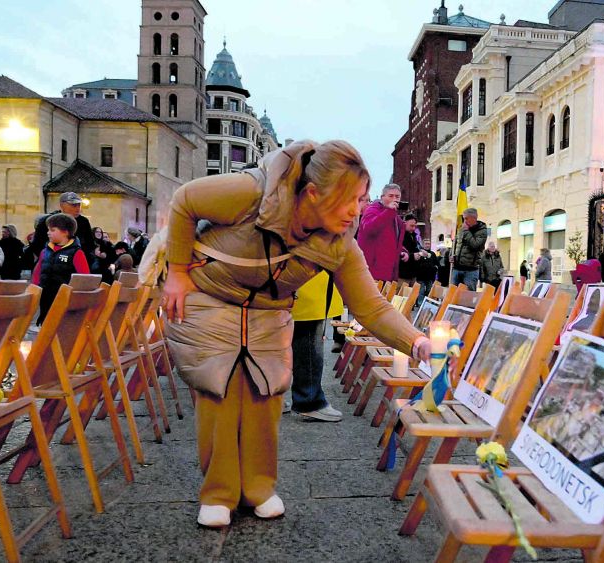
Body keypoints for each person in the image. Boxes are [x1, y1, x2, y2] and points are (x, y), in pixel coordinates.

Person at [161, 140, 430, 529]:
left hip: (269, 310)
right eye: (349, 198)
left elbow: (371, 306)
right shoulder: (252, 193)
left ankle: (257, 487)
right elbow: (185, 201)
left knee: (265, 392)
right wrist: (177, 272)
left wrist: (416, 341)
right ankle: (218, 492)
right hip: (212, 295)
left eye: (362, 198)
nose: (357, 210)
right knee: (218, 386)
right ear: (315, 193)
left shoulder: (339, 244)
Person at [291, 271, 344, 422]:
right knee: (309, 348)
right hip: (309, 288)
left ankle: (272, 395)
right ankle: (309, 400)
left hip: (294, 286)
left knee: (280, 345)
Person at [32, 213, 90, 326]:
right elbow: (37, 273)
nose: (48, 233)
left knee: (63, 328)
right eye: (48, 230)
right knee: (46, 326)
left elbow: (85, 278)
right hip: (45, 298)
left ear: (65, 232)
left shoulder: (76, 253)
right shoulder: (45, 252)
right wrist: (34, 291)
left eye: (52, 230)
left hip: (66, 300)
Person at [26, 191, 95, 269]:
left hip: (76, 265)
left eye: (79, 204)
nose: (77, 208)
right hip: (52, 266)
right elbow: (37, 245)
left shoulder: (83, 222)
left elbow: (90, 244)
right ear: (62, 205)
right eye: (73, 205)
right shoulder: (48, 221)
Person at [357, 183, 404, 281]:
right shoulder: (372, 210)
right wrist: (389, 211)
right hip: (373, 272)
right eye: (390, 196)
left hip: (389, 272)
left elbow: (392, 240)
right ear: (382, 197)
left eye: (397, 196)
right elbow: (369, 229)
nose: (394, 199)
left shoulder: (396, 218)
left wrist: (403, 251)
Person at [451, 208, 487, 290]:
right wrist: (452, 256)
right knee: (453, 294)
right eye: (464, 218)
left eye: (466, 218)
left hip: (470, 271)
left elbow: (475, 245)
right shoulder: (461, 229)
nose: (465, 221)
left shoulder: (482, 231)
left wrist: (466, 231)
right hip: (456, 268)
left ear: (474, 218)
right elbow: (455, 244)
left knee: (468, 296)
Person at [398, 213, 422, 285]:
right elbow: (397, 253)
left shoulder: (413, 236)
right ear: (404, 223)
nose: (414, 228)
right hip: (402, 275)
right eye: (411, 226)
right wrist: (412, 256)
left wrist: (420, 252)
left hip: (413, 275)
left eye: (415, 226)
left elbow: (414, 250)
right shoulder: (398, 235)